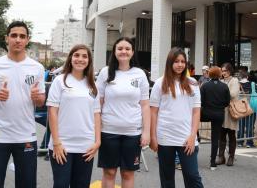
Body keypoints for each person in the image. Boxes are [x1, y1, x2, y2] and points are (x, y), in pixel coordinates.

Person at [0, 21, 46, 188]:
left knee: (27, 184)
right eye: (14, 35)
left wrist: (37, 97)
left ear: (27, 40)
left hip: (26, 136)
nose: (18, 39)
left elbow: (41, 100)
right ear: (6, 38)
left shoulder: (37, 67)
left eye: (22, 36)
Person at [96, 37, 150, 188]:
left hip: (132, 132)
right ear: (114, 51)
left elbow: (145, 105)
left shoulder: (139, 74)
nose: (123, 51)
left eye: (127, 48)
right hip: (108, 130)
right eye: (120, 48)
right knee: (110, 172)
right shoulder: (105, 72)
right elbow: (97, 104)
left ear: (132, 52)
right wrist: (96, 129)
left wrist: (146, 132)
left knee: (127, 173)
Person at [47, 44, 101, 187]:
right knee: (61, 184)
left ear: (89, 60)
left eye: (84, 56)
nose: (80, 59)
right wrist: (57, 143)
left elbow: (96, 115)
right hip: (62, 145)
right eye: (76, 55)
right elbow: (52, 112)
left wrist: (97, 142)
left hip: (86, 147)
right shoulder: (60, 81)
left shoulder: (93, 85)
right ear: (70, 58)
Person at [150, 47, 204, 188]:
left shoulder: (193, 83)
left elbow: (196, 112)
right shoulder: (159, 83)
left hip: (187, 138)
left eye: (182, 61)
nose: (180, 65)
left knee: (192, 177)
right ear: (169, 63)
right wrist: (153, 137)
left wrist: (193, 135)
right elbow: (153, 112)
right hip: (165, 138)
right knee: (167, 178)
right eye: (176, 61)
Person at [200, 66, 230, 170]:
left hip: (206, 113)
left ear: (210, 74)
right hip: (219, 114)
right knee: (215, 138)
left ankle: (196, 136)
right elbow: (227, 102)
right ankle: (212, 163)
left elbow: (201, 101)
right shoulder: (224, 86)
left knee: (193, 124)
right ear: (219, 74)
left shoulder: (205, 86)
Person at [216, 62, 240, 166]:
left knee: (231, 134)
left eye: (225, 70)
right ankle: (221, 156)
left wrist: (220, 94)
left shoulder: (234, 80)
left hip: (231, 111)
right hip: (221, 110)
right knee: (221, 134)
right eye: (222, 70)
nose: (223, 72)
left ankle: (231, 156)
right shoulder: (220, 80)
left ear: (229, 71)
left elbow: (233, 94)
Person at [237, 70, 257, 148]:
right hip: (251, 106)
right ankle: (249, 142)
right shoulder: (253, 84)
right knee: (250, 125)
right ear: (247, 77)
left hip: (240, 107)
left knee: (241, 125)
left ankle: (240, 142)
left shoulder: (237, 84)